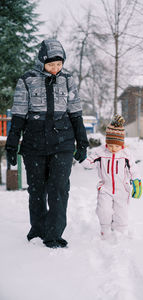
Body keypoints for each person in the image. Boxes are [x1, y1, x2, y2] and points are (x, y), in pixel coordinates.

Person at [5, 39, 89, 248]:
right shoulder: (27, 80)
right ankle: (38, 229)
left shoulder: (68, 80)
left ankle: (54, 234)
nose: (55, 69)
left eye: (59, 64)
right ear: (42, 61)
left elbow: (76, 113)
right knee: (37, 189)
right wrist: (11, 145)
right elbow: (18, 115)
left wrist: (82, 142)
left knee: (59, 188)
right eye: (51, 65)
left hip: (63, 141)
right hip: (35, 142)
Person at [81, 115, 142, 238]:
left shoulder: (126, 154)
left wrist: (136, 183)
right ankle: (105, 230)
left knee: (122, 214)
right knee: (103, 210)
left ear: (122, 144)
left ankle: (119, 234)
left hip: (122, 190)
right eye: (111, 145)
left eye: (117, 146)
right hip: (105, 188)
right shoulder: (100, 152)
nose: (113, 148)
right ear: (106, 142)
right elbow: (88, 163)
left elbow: (133, 169)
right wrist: (79, 156)